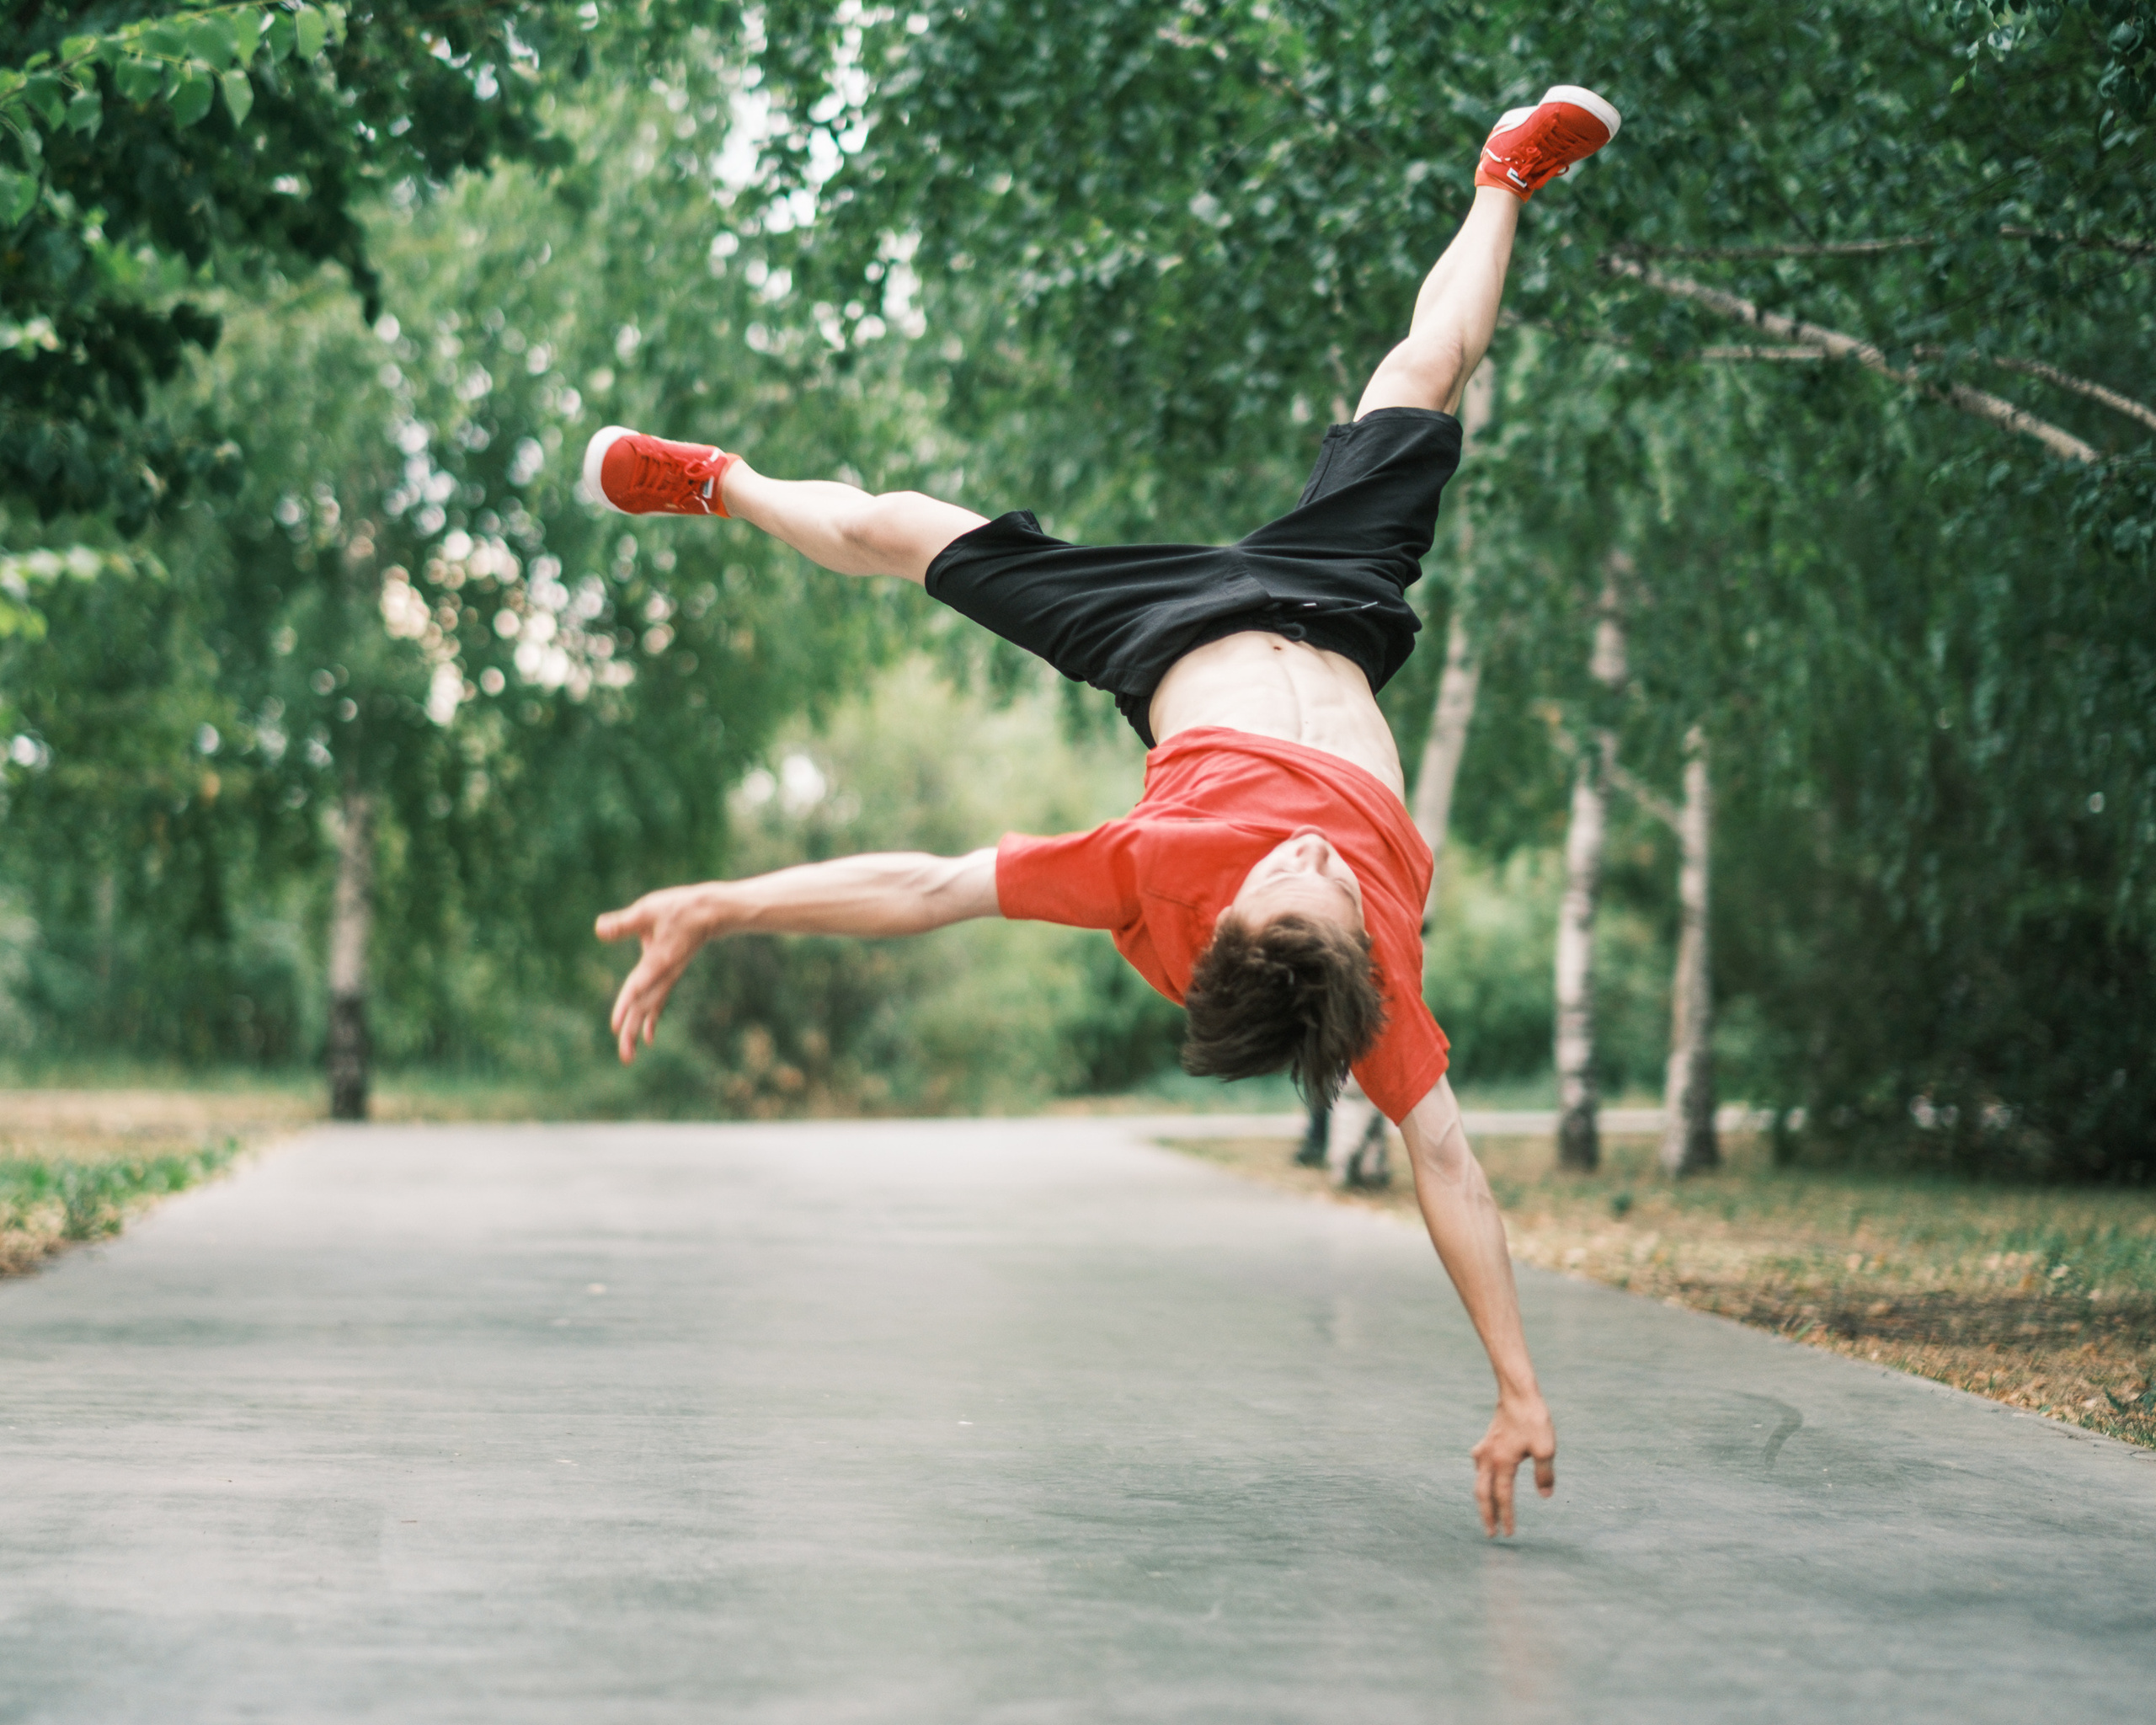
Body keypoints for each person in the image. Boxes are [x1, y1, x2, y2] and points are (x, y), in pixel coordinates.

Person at [589, 88, 1621, 1537]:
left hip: (1163, 635)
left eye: (1292, 872)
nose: (1318, 846)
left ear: (1234, 918)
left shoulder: (1164, 870)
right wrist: (1520, 1383)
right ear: (1370, 948)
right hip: (1336, 602)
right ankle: (1505, 175)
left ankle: (715, 483)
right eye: (1328, 875)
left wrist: (726, 900)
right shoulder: (1379, 995)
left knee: (903, 531)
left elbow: (929, 887)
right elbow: (1445, 1162)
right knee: (1421, 374)